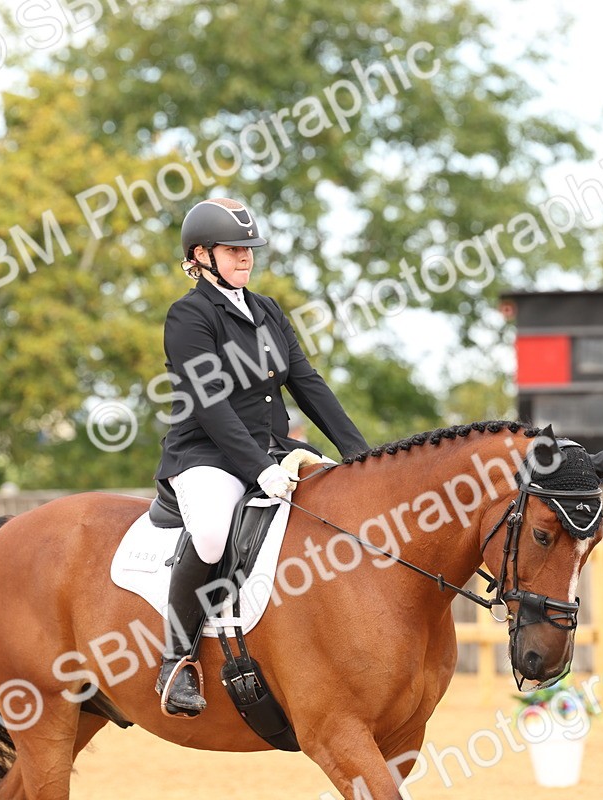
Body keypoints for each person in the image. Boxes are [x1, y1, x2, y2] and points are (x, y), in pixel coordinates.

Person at [153, 197, 370, 715]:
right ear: (200, 255)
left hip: (278, 451)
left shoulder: (268, 309)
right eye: (233, 250)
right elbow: (210, 403)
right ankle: (176, 660)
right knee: (209, 534)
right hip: (207, 455)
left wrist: (361, 455)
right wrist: (258, 469)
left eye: (249, 249)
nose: (245, 258)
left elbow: (308, 383)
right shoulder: (189, 315)